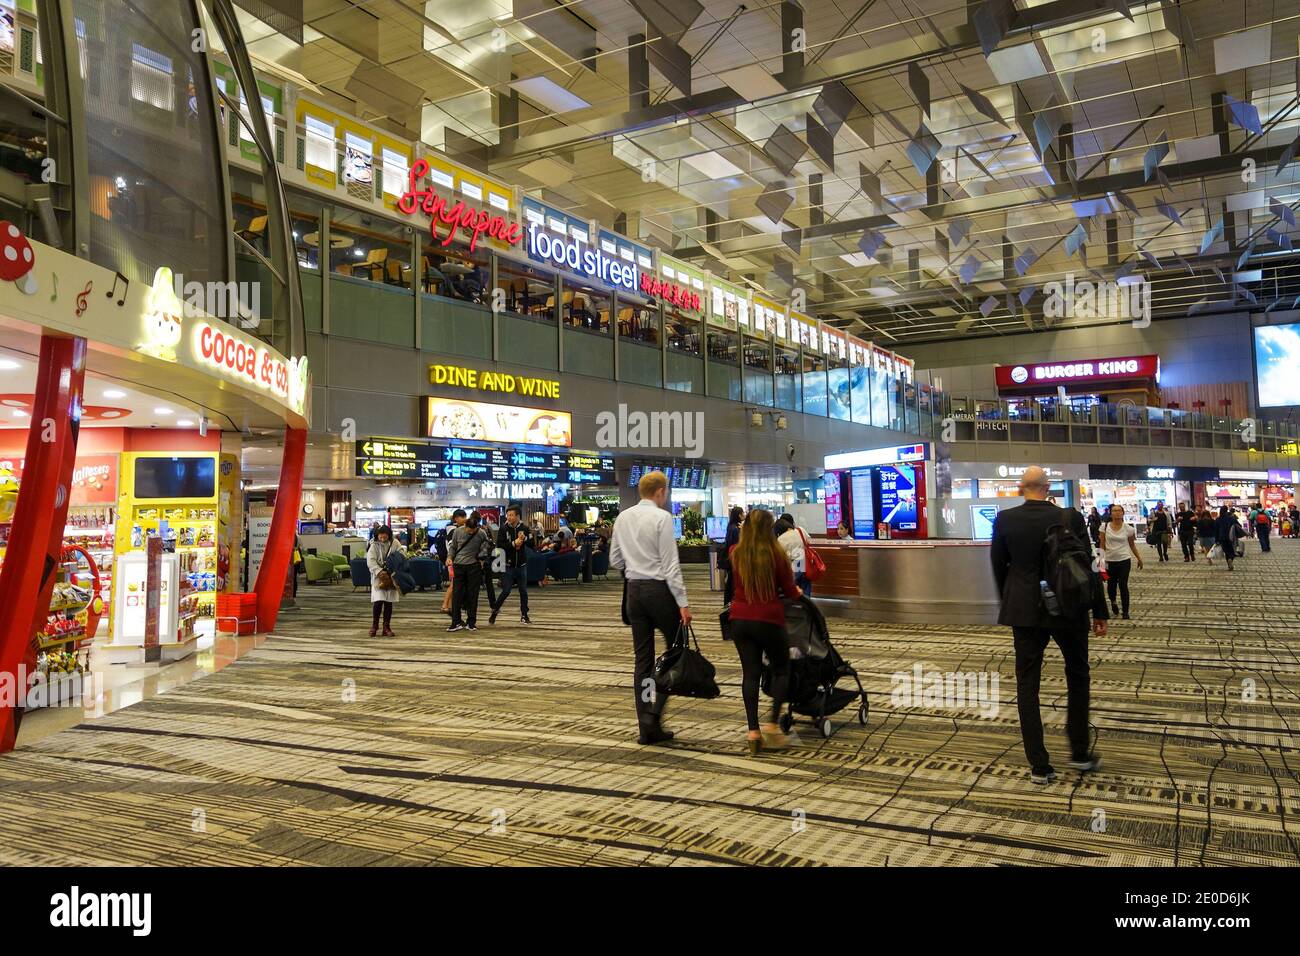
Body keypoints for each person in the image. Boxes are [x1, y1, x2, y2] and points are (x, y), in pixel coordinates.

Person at [989, 466, 1107, 784]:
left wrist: (1010, 601)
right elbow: (1090, 564)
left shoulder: (1005, 520)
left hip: (1024, 610)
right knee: (1078, 677)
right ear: (1048, 487)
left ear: (1020, 487)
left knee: (1027, 684)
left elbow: (999, 567)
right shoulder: (1069, 517)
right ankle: (1080, 753)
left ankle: (1039, 765)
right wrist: (1100, 610)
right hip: (1069, 608)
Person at [609, 470, 691, 746]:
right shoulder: (662, 518)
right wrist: (683, 603)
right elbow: (670, 566)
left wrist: (635, 565)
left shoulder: (623, 517)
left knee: (643, 661)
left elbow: (615, 560)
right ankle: (655, 714)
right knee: (675, 654)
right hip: (660, 592)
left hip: (634, 592)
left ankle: (645, 722)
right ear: (660, 492)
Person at [728, 509, 797, 754]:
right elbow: (789, 589)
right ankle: (771, 725)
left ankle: (753, 731)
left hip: (740, 619)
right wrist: (798, 595)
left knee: (750, 674)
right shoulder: (776, 554)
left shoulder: (736, 553)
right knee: (781, 669)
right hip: (769, 618)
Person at [446, 511, 490, 631]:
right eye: (469, 530)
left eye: (473, 531)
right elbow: (453, 547)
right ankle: (456, 622)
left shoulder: (481, 533)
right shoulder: (457, 531)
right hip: (458, 566)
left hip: (473, 567)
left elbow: (486, 546)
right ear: (465, 526)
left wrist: (482, 559)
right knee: (456, 595)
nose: (470, 532)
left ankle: (471, 622)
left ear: (476, 527)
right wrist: (449, 557)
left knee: (473, 595)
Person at [489, 506, 531, 625]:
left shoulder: (524, 528)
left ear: (518, 516)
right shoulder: (503, 529)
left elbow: (531, 543)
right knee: (506, 590)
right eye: (508, 515)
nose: (509, 517)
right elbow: (500, 546)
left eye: (511, 515)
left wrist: (525, 538)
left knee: (523, 591)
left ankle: (524, 615)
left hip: (521, 564)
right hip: (508, 565)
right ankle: (495, 611)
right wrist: (513, 543)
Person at [1100, 504, 1142, 620]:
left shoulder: (1128, 529)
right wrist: (1100, 562)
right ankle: (1113, 602)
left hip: (1124, 560)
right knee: (1111, 585)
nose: (1117, 513)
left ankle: (1125, 611)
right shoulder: (1104, 527)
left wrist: (1139, 558)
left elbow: (1132, 545)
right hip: (1109, 560)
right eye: (1114, 511)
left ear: (1123, 513)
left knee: (1123, 585)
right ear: (1111, 513)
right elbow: (1102, 545)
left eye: (1119, 510)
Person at [366, 525, 403, 637]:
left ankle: (386, 627)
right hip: (378, 577)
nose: (382, 539)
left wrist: (395, 562)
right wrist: (379, 571)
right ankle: (374, 625)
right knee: (378, 601)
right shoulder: (373, 545)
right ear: (377, 536)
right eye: (380, 537)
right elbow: (370, 561)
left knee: (388, 601)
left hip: (391, 575)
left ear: (389, 535)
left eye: (385, 537)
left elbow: (401, 554)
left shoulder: (395, 543)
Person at [775, 512, 814, 597]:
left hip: (793, 567)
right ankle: (807, 607)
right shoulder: (800, 530)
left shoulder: (780, 539)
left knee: (794, 591)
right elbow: (809, 541)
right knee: (806, 589)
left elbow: (781, 557)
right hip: (805, 563)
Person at [440, 509, 467, 614]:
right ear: (456, 518)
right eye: (463, 517)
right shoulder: (453, 530)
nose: (465, 519)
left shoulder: (453, 529)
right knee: (453, 584)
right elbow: (452, 547)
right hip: (453, 561)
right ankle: (445, 605)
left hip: (453, 561)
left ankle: (450, 606)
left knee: (454, 584)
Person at [719, 506, 743, 605]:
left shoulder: (731, 526)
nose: (744, 515)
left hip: (730, 557)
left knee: (730, 580)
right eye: (743, 513)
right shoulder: (735, 529)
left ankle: (728, 601)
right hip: (735, 558)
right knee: (732, 580)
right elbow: (737, 544)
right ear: (739, 515)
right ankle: (730, 600)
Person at [1215, 506, 1242, 570]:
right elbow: (1239, 525)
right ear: (1227, 510)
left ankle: (1229, 563)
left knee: (1226, 552)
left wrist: (1216, 540)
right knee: (1232, 551)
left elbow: (1216, 530)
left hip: (1221, 537)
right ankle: (1230, 559)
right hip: (1231, 537)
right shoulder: (1231, 518)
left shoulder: (1218, 519)